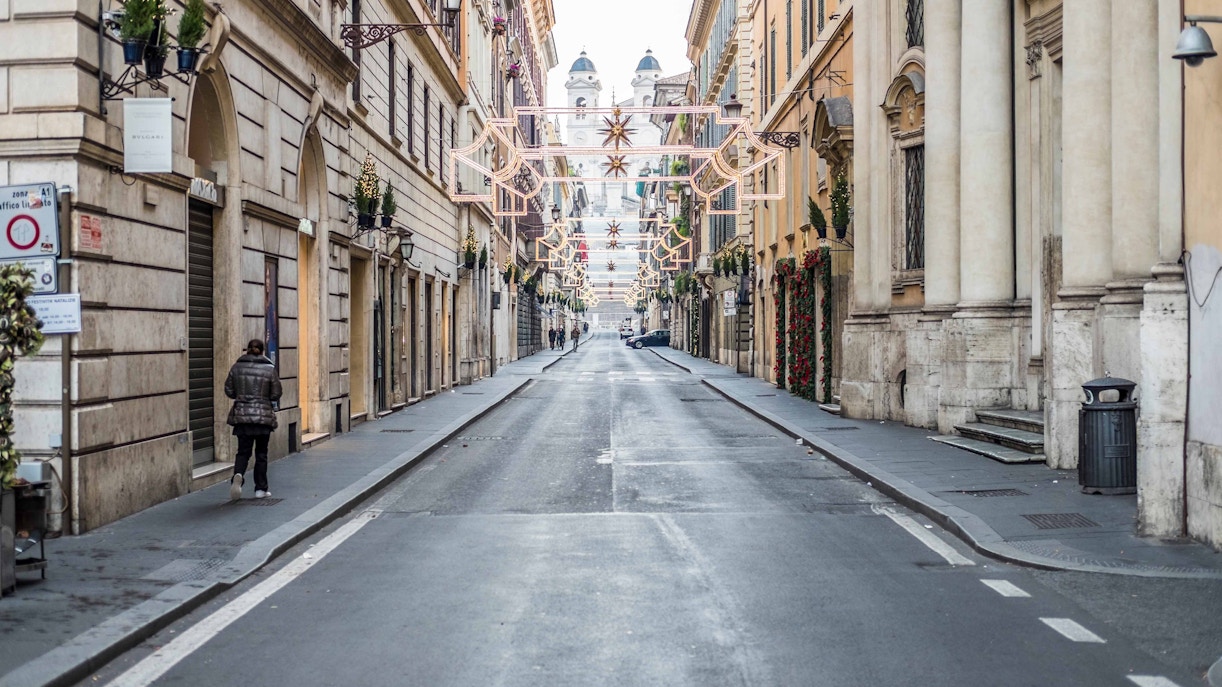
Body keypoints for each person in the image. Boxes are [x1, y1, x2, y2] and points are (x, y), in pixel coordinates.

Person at [225, 338, 282, 500]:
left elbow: (229, 390)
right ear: (262, 350)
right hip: (263, 417)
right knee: (261, 453)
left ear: (247, 349)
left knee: (243, 452)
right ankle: (260, 489)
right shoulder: (269, 369)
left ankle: (238, 475)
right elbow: (276, 393)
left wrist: (241, 396)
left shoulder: (237, 367)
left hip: (242, 417)